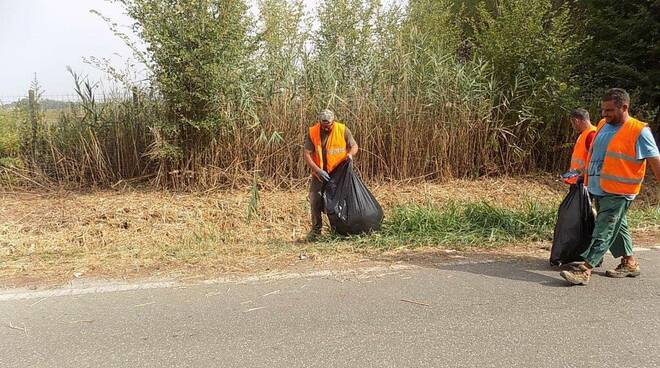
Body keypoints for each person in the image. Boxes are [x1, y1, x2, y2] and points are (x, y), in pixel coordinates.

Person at [560, 88, 660, 285]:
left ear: (624, 107)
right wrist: (583, 175)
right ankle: (629, 263)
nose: (604, 114)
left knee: (604, 228)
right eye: (603, 110)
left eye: (609, 110)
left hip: (620, 190)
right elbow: (596, 155)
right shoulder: (604, 124)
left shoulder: (640, 131)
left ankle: (585, 269)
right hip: (599, 186)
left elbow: (655, 160)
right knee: (618, 226)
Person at [303, 109, 358, 240]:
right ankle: (316, 231)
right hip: (320, 174)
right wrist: (317, 170)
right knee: (315, 199)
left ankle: (342, 229)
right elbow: (307, 154)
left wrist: (350, 155)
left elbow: (354, 146)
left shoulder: (343, 130)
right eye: (324, 125)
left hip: (339, 174)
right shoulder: (313, 132)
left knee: (342, 201)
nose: (326, 127)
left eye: (329, 125)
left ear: (333, 121)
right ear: (320, 122)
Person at [562, 108, 596, 185]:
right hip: (578, 180)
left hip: (584, 182)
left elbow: (595, 160)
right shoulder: (584, 134)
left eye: (572, 123)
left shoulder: (591, 135)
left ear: (577, 121)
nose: (572, 126)